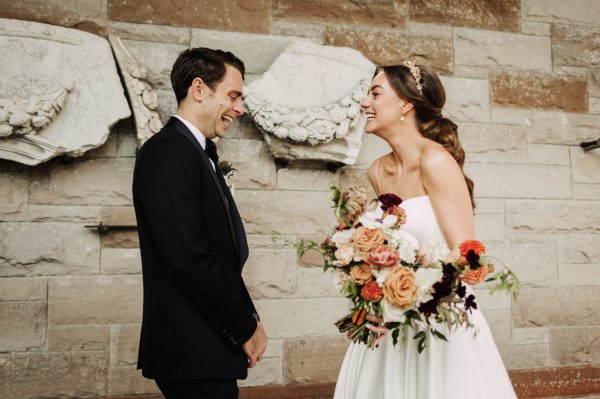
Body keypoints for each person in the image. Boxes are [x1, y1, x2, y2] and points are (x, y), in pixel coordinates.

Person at [333, 63, 516, 398]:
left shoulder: (436, 161)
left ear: (406, 104)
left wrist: (414, 299)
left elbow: (468, 253)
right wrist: (368, 303)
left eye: (375, 94)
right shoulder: (378, 171)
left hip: (439, 324)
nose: (364, 104)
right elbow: (385, 250)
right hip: (386, 328)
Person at [132, 47, 268, 399]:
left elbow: (220, 254)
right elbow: (189, 255)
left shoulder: (196, 153)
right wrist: (243, 326)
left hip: (207, 345)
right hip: (190, 345)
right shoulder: (167, 153)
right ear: (198, 89)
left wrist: (250, 318)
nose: (239, 108)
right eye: (233, 96)